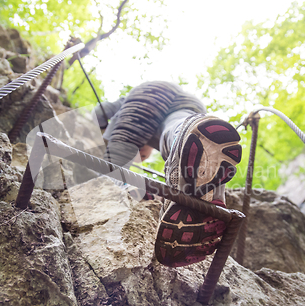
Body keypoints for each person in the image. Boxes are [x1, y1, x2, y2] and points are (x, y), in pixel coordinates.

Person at [94, 81, 242, 267]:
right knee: (175, 130)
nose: (140, 155)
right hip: (191, 106)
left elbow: (98, 113)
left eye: (142, 154)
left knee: (116, 160)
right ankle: (188, 135)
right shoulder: (160, 133)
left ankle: (119, 183)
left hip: (148, 93)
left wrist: (99, 127)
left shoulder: (126, 103)